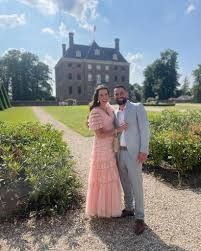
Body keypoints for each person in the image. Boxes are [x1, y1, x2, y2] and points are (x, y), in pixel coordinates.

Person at [86, 85, 127, 218]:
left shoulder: (109, 108)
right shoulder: (95, 112)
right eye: (101, 95)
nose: (104, 97)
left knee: (112, 177)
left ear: (109, 96)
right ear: (97, 97)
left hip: (111, 147)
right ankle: (101, 209)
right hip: (101, 149)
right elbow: (100, 134)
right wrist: (118, 130)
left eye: (105, 94)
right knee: (103, 178)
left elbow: (115, 121)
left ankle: (112, 208)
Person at [113, 85, 150, 235]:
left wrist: (144, 150)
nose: (119, 95)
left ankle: (140, 218)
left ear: (126, 94)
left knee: (136, 185)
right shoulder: (115, 112)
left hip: (134, 154)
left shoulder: (137, 107)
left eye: (121, 92)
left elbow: (145, 129)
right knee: (125, 183)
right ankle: (129, 208)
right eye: (116, 94)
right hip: (119, 153)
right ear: (114, 96)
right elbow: (114, 133)